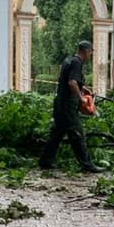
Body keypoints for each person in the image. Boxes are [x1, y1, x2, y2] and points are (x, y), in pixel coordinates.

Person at [38, 40, 101, 173]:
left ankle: (45, 161)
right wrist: (81, 98)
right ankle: (87, 165)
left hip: (60, 103)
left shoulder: (68, 61)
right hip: (68, 106)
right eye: (90, 52)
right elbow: (72, 83)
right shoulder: (77, 63)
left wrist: (84, 88)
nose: (90, 56)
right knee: (78, 134)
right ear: (86, 51)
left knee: (57, 133)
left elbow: (69, 80)